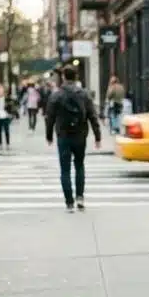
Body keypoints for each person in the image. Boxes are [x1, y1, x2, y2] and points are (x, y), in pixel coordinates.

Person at [45, 66, 101, 213]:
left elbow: (49, 117)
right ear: (76, 77)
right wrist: (97, 136)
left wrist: (49, 135)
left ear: (63, 77)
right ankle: (80, 197)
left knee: (65, 170)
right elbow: (92, 115)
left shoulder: (56, 96)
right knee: (79, 166)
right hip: (80, 135)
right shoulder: (84, 94)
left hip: (63, 136)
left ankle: (69, 203)